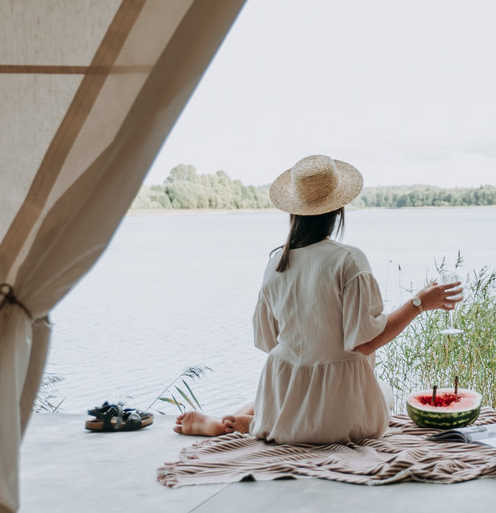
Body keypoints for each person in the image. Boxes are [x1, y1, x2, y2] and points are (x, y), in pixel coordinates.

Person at [174, 154, 462, 442]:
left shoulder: (276, 263)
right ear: (338, 209)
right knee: (383, 390)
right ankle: (248, 419)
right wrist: (419, 303)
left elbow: (267, 341)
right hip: (342, 419)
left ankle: (240, 420)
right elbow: (365, 342)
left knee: (295, 372)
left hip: (283, 412)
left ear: (293, 211)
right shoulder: (348, 260)